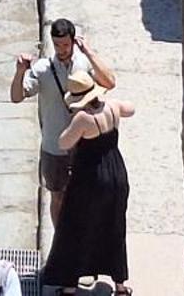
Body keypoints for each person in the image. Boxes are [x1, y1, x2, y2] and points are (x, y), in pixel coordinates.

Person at [10, 19, 115, 223]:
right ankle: (61, 241)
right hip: (54, 147)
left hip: (85, 144)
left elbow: (109, 82)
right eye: (57, 45)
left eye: (66, 45)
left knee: (87, 195)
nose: (61, 50)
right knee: (57, 196)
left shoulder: (84, 63)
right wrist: (20, 71)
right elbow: (17, 96)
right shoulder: (42, 69)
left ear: (73, 42)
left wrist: (89, 52)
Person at [39, 76, 136, 296]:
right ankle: (120, 285)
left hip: (91, 177)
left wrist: (71, 121)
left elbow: (64, 142)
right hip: (116, 172)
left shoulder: (83, 119)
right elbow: (131, 109)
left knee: (76, 227)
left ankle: (70, 285)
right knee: (114, 226)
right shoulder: (112, 107)